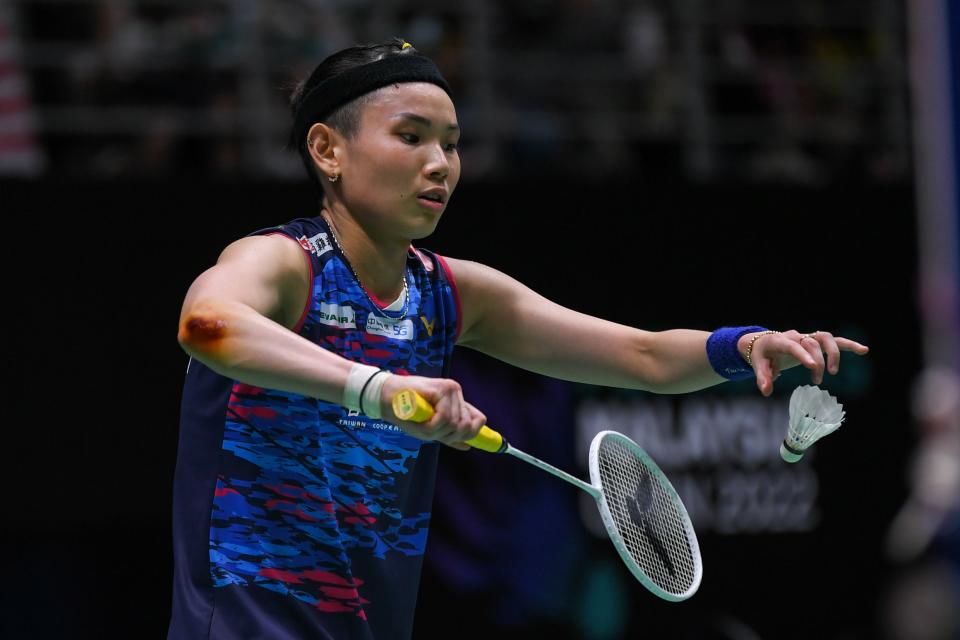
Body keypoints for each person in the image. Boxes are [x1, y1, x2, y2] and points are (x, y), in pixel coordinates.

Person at [168, 38, 870, 640]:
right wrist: (378, 389)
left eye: (451, 144)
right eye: (410, 137)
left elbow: (642, 357)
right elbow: (207, 326)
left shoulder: (448, 294)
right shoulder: (286, 264)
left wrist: (743, 349)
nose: (440, 163)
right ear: (328, 149)